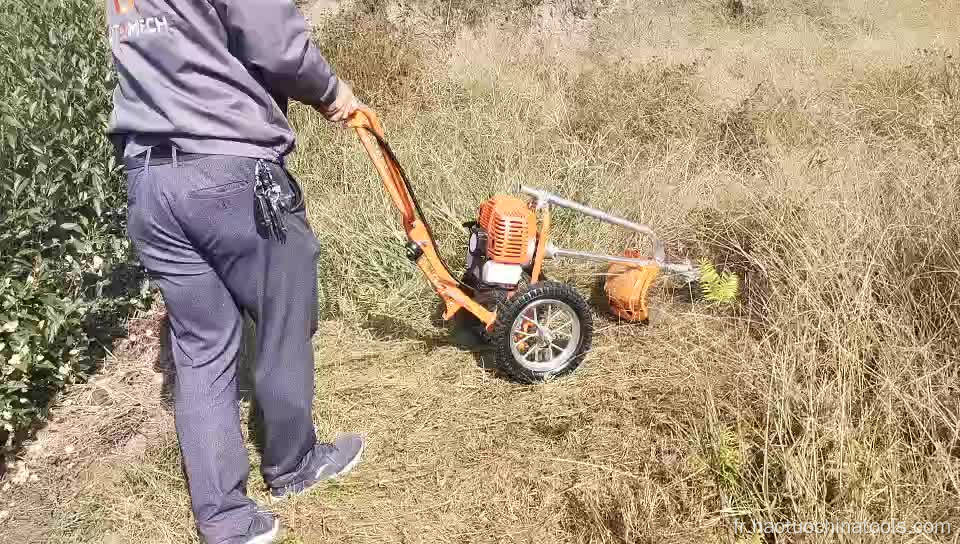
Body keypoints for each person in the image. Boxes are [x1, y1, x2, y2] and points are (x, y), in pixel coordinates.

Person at [103, 1, 365, 542]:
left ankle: (225, 521)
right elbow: (275, 39)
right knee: (284, 312)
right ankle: (294, 463)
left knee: (200, 349)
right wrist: (332, 91)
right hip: (230, 172)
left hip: (149, 185)